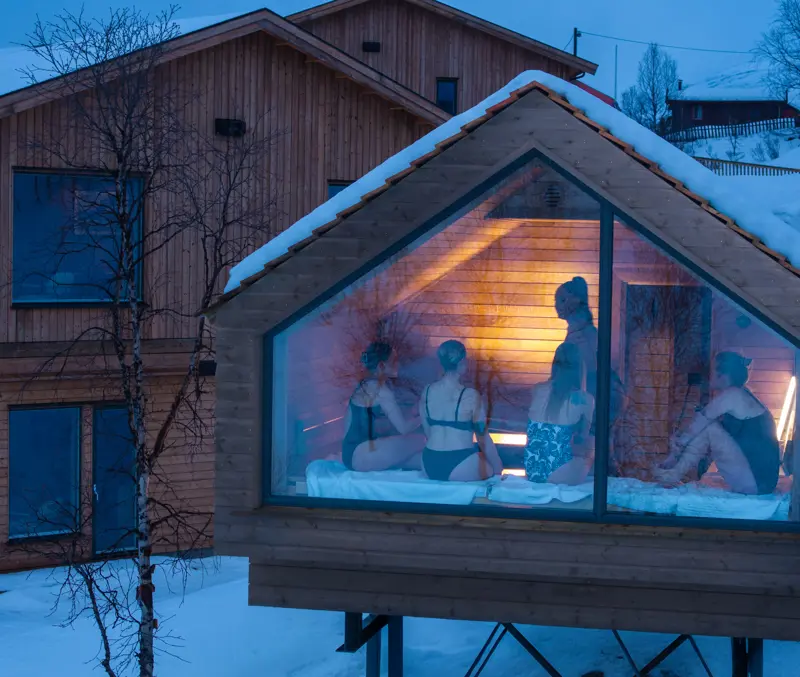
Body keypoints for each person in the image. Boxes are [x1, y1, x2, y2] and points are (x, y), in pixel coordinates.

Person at [653, 351, 780, 495]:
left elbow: (697, 427)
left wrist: (673, 455)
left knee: (708, 428)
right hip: (762, 482)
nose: (709, 375)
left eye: (712, 370)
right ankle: (674, 474)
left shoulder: (732, 395)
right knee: (707, 427)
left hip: (755, 483)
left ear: (723, 375)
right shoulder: (742, 394)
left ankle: (673, 475)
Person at [419, 340, 503, 481]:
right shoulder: (470, 396)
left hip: (429, 462)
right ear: (462, 362)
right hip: (461, 462)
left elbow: (428, 431)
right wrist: (498, 468)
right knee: (490, 468)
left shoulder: (427, 392)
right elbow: (483, 437)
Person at [341, 341, 424, 472]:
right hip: (361, 456)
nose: (398, 364)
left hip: (349, 455)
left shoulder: (362, 385)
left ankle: (418, 466)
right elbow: (403, 428)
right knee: (420, 440)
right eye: (394, 360)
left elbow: (348, 426)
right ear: (381, 365)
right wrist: (424, 414)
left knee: (407, 453)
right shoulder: (381, 390)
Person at [525, 342, 595, 485]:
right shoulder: (584, 399)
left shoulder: (537, 389)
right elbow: (583, 437)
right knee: (592, 442)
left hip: (532, 469)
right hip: (562, 471)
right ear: (580, 368)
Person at [555, 276, 598, 395]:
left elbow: (590, 370)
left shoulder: (586, 334)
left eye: (562, 300)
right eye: (557, 300)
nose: (557, 306)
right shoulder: (575, 332)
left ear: (576, 300)